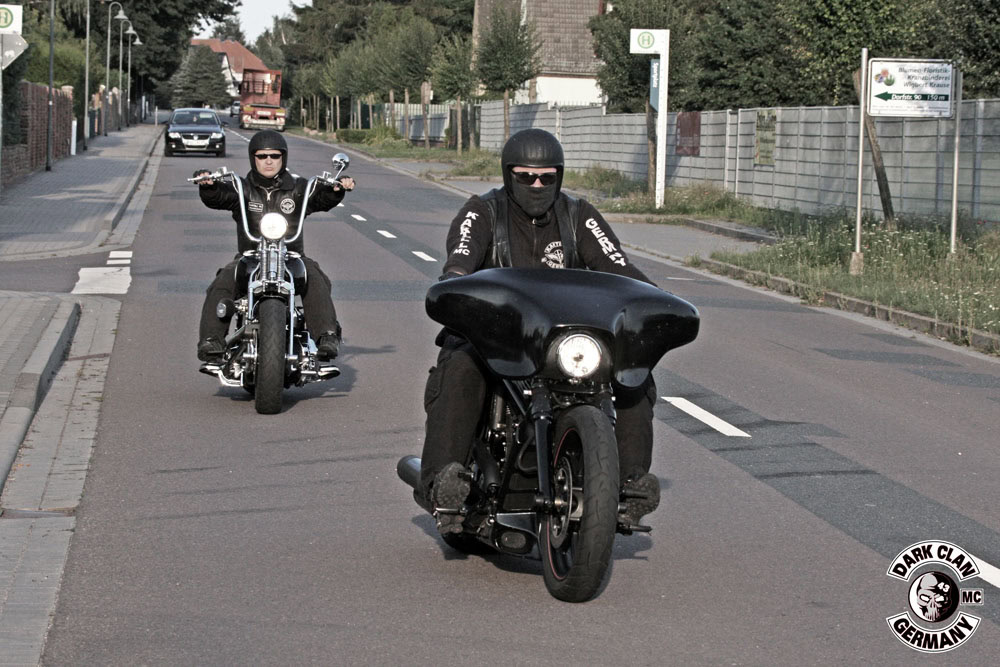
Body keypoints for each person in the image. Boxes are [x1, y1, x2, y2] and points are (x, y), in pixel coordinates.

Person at [420, 128, 660, 535]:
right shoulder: (482, 211)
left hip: (562, 339)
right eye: (526, 177)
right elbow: (461, 259)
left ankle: (631, 486)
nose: (536, 185)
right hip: (494, 335)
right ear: (508, 175)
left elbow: (617, 266)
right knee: (460, 366)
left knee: (633, 374)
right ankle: (443, 483)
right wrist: (455, 283)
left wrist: (654, 298)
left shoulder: (578, 215)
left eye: (547, 178)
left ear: (559, 177)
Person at [193, 130, 355, 362]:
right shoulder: (241, 188)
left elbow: (320, 198)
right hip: (250, 256)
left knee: (314, 276)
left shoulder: (299, 188)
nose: (268, 161)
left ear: (283, 158)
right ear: (253, 158)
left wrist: (335, 189)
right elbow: (218, 197)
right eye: (262, 156)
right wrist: (208, 185)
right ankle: (211, 339)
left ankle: (326, 336)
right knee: (224, 279)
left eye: (274, 156)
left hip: (291, 256)